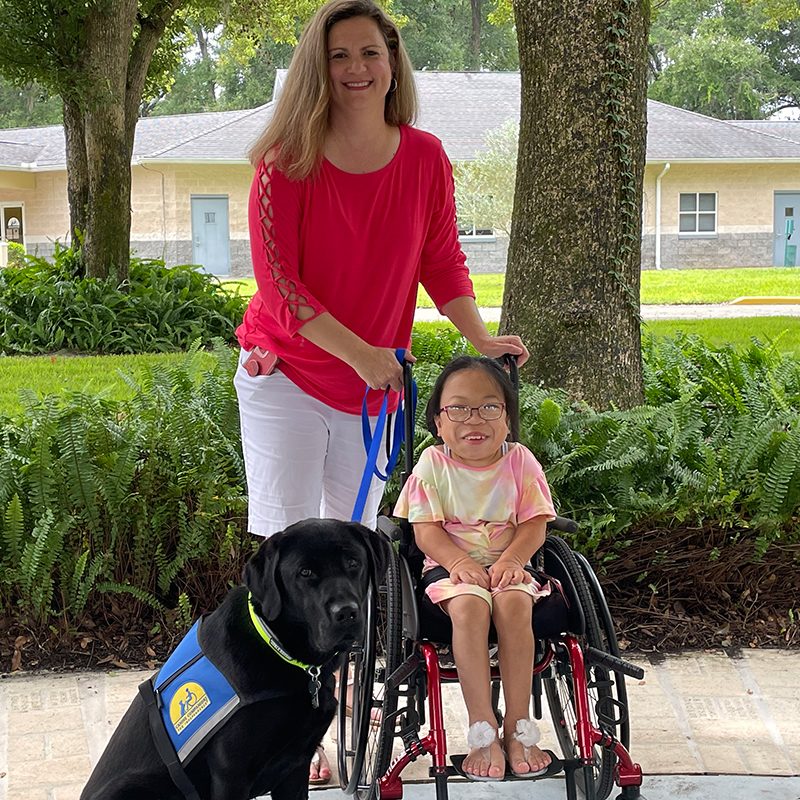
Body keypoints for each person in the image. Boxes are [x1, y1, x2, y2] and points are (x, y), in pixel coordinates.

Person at [234, 0, 529, 782]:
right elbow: (282, 287)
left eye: (371, 53)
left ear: (393, 62)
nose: (357, 70)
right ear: (317, 68)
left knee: (350, 554)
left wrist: (479, 339)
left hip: (373, 384)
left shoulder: (425, 157)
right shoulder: (285, 162)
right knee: (293, 553)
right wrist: (364, 352)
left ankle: (341, 702)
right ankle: (290, 725)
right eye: (340, 56)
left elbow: (442, 261)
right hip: (290, 377)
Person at [394, 356, 555, 781]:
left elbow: (536, 524)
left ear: (507, 420)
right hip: (449, 568)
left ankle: (519, 727)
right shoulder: (432, 465)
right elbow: (425, 532)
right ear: (439, 422)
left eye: (489, 407)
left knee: (516, 605)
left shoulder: (520, 461)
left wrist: (512, 561)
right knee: (468, 607)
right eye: (459, 408)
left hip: (511, 565)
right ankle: (483, 727)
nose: (474, 419)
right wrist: (460, 562)